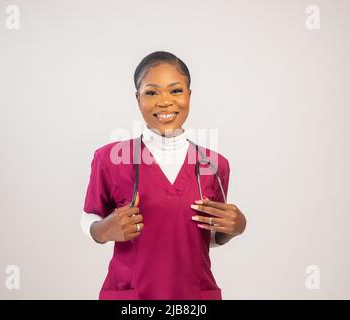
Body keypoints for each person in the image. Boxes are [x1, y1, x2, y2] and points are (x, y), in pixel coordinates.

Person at [81, 51, 246, 300]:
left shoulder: (214, 166)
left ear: (189, 95)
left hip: (192, 297)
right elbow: (90, 217)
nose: (164, 101)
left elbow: (208, 236)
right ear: (138, 99)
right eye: (151, 92)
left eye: (176, 90)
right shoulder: (110, 159)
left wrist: (234, 228)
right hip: (132, 296)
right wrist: (103, 230)